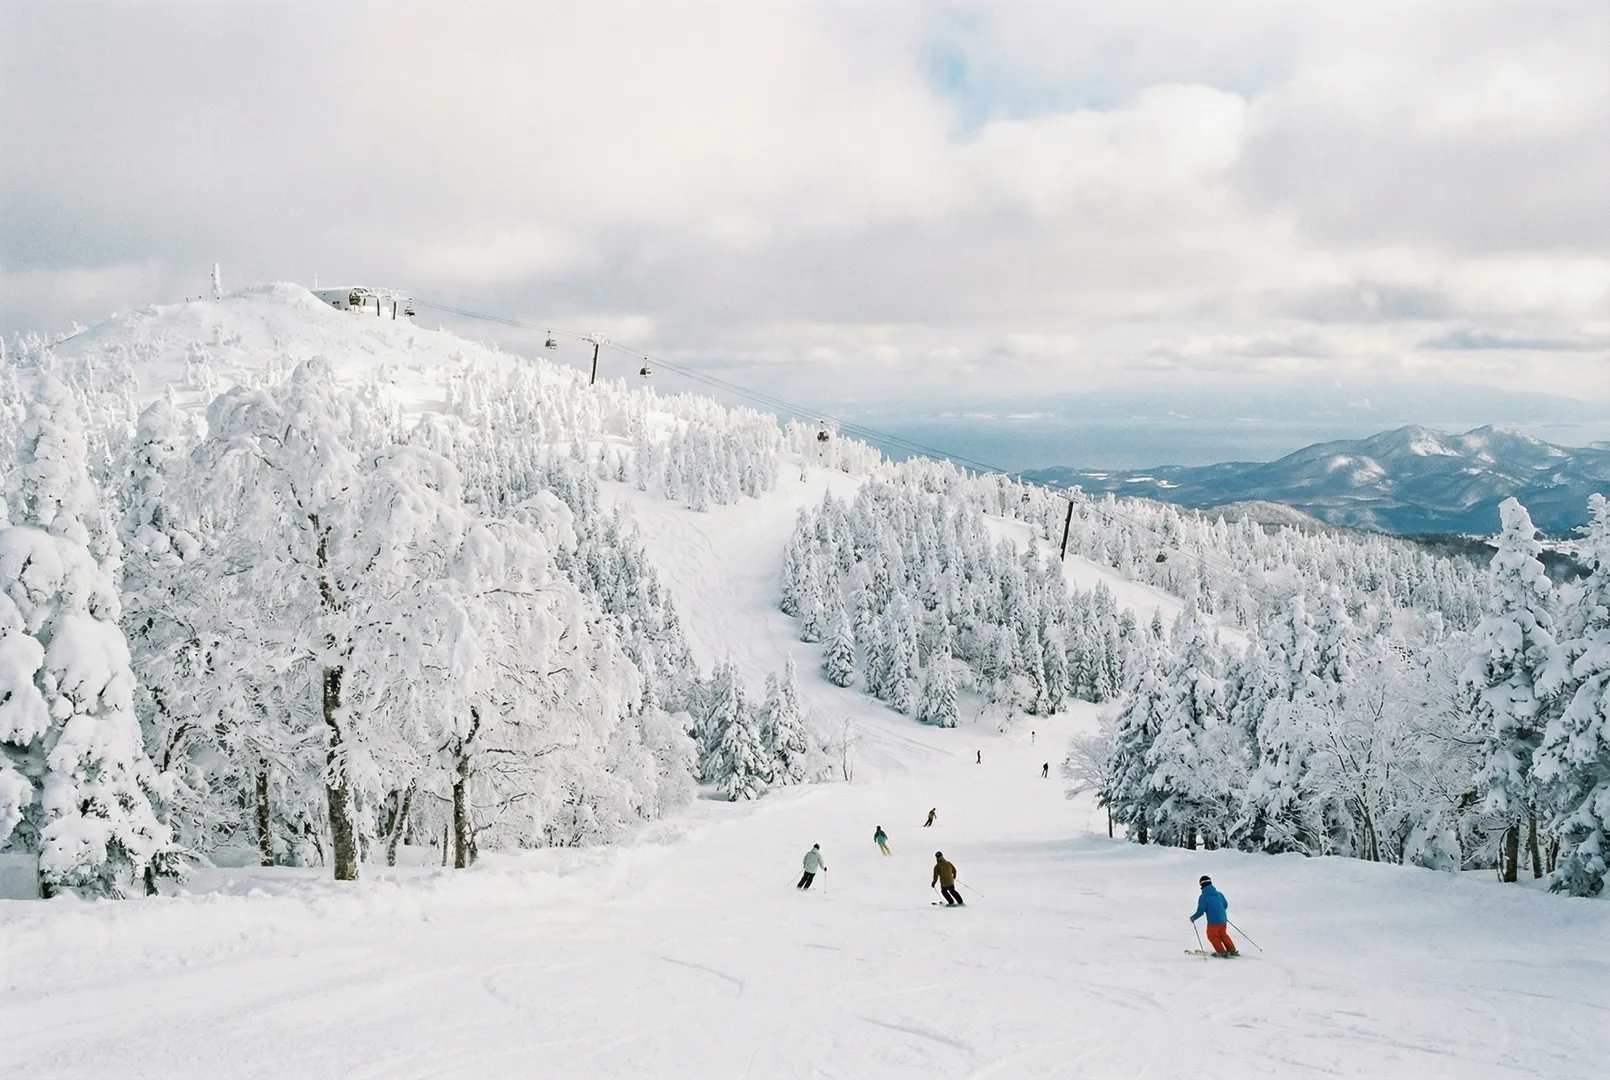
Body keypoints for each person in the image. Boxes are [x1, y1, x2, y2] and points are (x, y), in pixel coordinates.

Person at [1190, 874, 1238, 956]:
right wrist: (1219, 912)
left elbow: (1201, 911)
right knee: (1223, 934)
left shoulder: (1203, 897)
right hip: (1223, 919)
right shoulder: (1219, 894)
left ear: (1201, 885)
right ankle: (1232, 950)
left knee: (1211, 935)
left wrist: (1193, 918)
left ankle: (1221, 952)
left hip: (1213, 922)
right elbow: (1225, 905)